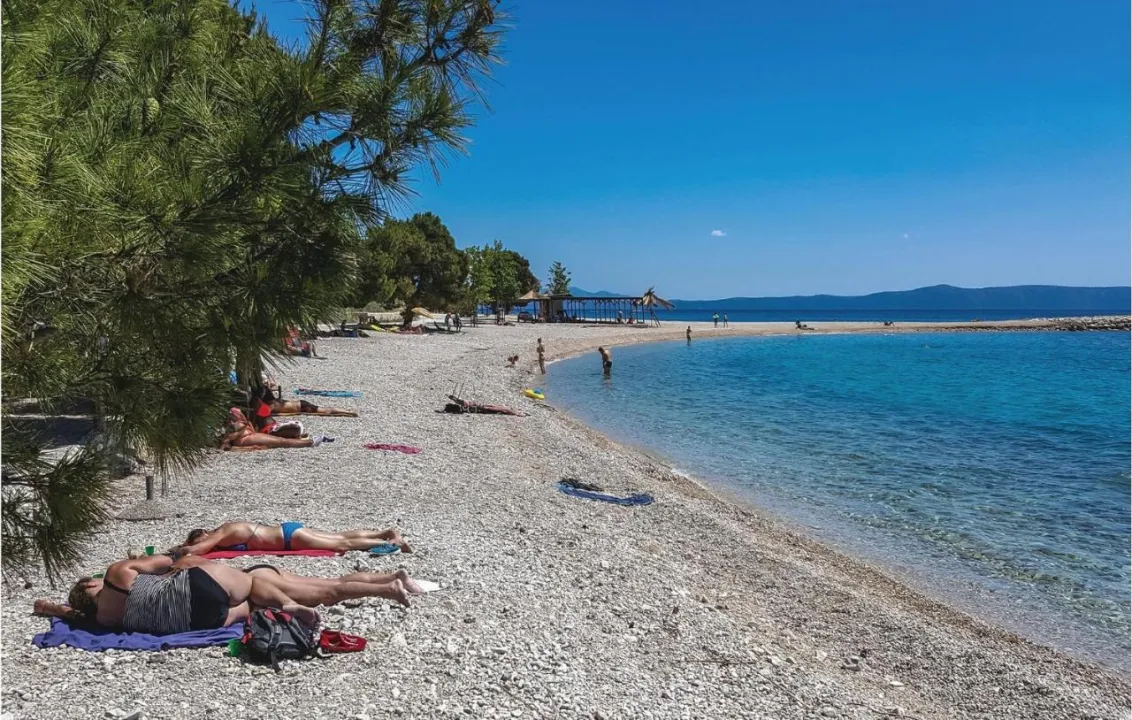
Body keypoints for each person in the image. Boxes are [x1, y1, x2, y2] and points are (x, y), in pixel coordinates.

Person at [33, 555, 426, 636]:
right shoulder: (116, 575)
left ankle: (388, 584)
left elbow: (67, 614)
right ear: (90, 587)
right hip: (202, 585)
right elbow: (169, 561)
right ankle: (388, 587)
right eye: (91, 581)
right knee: (274, 581)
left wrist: (54, 608)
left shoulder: (100, 620)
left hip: (203, 621)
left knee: (257, 599)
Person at [179, 521, 411, 555]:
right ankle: (385, 532)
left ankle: (390, 543)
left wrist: (178, 552)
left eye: (200, 540)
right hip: (288, 531)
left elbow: (198, 550)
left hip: (290, 539)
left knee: (342, 544)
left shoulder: (221, 533)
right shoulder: (227, 528)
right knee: (339, 536)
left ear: (204, 534)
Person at [221, 408, 332, 450]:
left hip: (250, 436)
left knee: (281, 441)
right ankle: (311, 442)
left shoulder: (238, 415)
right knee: (281, 442)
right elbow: (230, 437)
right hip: (245, 439)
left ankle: (311, 441)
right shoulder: (232, 421)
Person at [260, 380, 357, 417]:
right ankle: (348, 411)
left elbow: (266, 414)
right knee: (326, 410)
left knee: (327, 411)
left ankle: (349, 412)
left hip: (302, 406)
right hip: (300, 404)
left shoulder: (272, 404)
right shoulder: (275, 401)